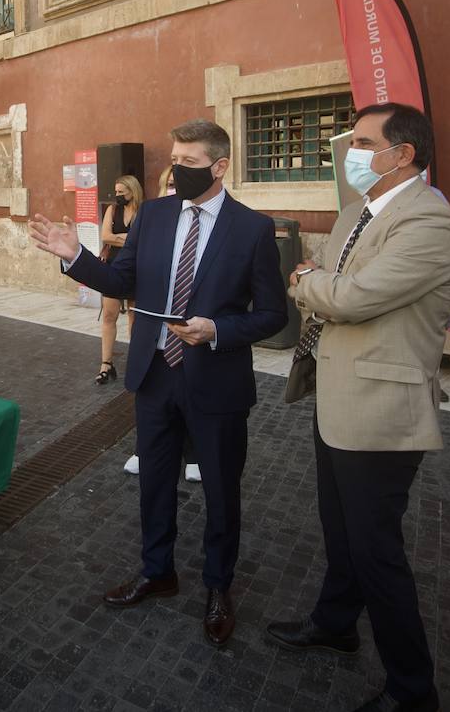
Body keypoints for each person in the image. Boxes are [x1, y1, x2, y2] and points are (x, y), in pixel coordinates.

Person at [29, 119, 286, 647]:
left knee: (219, 488)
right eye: (174, 161)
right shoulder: (153, 215)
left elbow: (273, 314)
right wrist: (74, 256)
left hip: (215, 380)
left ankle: (218, 585)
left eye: (188, 163)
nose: (176, 171)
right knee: (154, 482)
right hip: (154, 374)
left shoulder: (253, 229)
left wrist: (217, 330)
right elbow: (123, 280)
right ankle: (157, 571)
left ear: (220, 167)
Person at [269, 103, 450, 712]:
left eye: (360, 141)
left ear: (401, 153)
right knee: (340, 530)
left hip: (382, 411)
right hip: (337, 398)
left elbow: (349, 296)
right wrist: (317, 285)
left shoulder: (428, 222)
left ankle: (412, 689)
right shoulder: (356, 211)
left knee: (377, 552)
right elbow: (328, 283)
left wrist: (308, 283)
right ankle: (335, 625)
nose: (349, 152)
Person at [121, 166, 201, 484]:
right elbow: (127, 274)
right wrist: (76, 257)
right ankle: (144, 450)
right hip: (155, 344)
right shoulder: (152, 219)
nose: (174, 188)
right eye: (169, 183)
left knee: (193, 404)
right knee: (153, 410)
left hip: (195, 342)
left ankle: (194, 454)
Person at [96, 175, 143, 385]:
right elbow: (105, 236)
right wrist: (129, 240)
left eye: (121, 193)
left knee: (135, 318)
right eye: (116, 192)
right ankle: (106, 364)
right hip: (113, 268)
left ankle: (136, 361)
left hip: (138, 269)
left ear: (132, 192)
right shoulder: (112, 210)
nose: (117, 196)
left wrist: (119, 239)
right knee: (109, 315)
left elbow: (145, 239)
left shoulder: (144, 211)